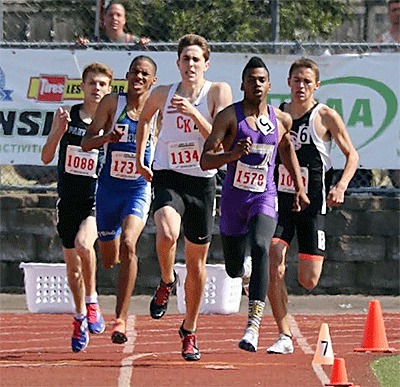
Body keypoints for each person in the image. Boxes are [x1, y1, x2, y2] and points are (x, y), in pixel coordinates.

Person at [200, 56, 309, 353]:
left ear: (269, 85)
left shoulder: (281, 119)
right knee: (234, 268)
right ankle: (244, 272)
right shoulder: (228, 117)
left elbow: (286, 149)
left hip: (265, 196)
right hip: (235, 200)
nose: (257, 85)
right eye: (251, 80)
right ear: (243, 85)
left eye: (262, 80)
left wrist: (299, 187)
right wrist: (232, 154)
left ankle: (253, 325)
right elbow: (204, 159)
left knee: (263, 246)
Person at [136, 34, 232, 361]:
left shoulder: (217, 92)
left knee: (196, 262)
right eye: (185, 59)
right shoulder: (162, 93)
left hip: (201, 182)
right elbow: (143, 118)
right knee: (166, 234)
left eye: (196, 59)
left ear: (206, 63)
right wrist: (141, 156)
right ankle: (166, 279)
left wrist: (192, 113)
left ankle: (189, 330)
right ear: (177, 64)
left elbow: (220, 140)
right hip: (168, 175)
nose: (190, 65)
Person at [267, 58, 359, 355]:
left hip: (312, 205)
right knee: (273, 256)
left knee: (308, 280)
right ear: (288, 83)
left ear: (316, 85)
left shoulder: (325, 116)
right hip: (281, 203)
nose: (301, 86)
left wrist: (341, 185)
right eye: (296, 80)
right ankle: (283, 334)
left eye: (307, 81)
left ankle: (280, 295)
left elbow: (352, 156)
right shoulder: (278, 115)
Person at [81, 55, 158, 344]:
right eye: (135, 73)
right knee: (109, 258)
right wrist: (107, 138)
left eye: (145, 74)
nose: (138, 78)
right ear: (127, 75)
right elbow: (87, 142)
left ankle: (121, 319)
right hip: (109, 189)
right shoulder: (113, 103)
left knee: (129, 243)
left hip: (137, 190)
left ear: (153, 81)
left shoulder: (156, 108)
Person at [41, 62, 113, 353]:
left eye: (102, 85)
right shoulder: (67, 117)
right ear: (82, 86)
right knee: (73, 269)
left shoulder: (110, 121)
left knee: (85, 244)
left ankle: (93, 300)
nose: (96, 89)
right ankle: (80, 316)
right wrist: (58, 131)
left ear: (109, 90)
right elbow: (46, 156)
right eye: (92, 83)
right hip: (68, 199)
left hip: (96, 199)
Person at [78, 2, 150, 49]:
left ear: (124, 19)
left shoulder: (134, 42)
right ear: (104, 18)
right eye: (110, 15)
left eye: (118, 15)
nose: (114, 18)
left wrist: (145, 47)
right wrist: (82, 46)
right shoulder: (95, 42)